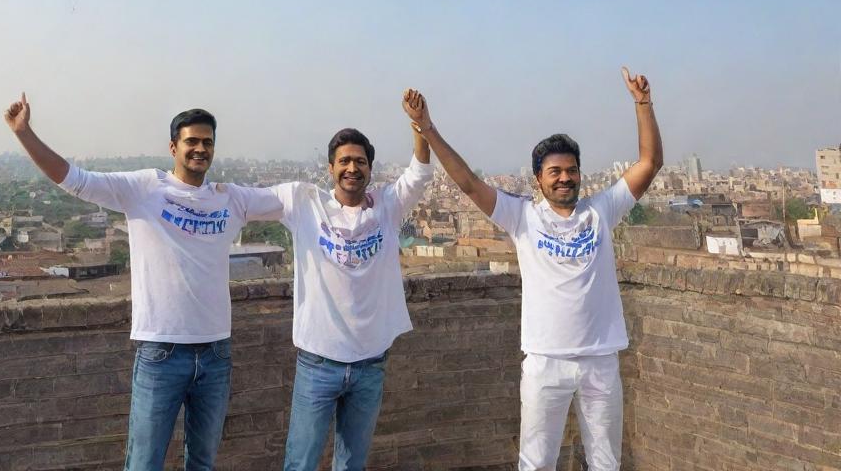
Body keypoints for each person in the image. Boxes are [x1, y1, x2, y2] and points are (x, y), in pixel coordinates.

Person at [3, 93, 282, 471]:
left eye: (207, 142)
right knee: (144, 462)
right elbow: (75, 180)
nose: (200, 149)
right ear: (173, 147)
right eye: (192, 142)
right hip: (161, 351)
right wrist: (25, 134)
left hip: (215, 352)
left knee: (202, 462)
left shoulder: (229, 199)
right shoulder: (145, 188)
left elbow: (291, 201)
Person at [406, 68, 663, 471]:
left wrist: (643, 104)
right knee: (537, 462)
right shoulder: (523, 216)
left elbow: (650, 162)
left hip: (600, 360)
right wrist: (428, 128)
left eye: (571, 170)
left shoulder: (601, 211)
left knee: (605, 463)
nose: (565, 178)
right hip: (546, 361)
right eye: (555, 172)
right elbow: (470, 184)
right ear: (538, 180)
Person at [268, 91, 434, 471]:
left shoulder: (387, 208)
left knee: (352, 464)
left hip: (368, 364)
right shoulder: (306, 204)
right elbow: (244, 203)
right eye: (344, 161)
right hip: (318, 362)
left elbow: (421, 171)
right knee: (301, 461)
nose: (352, 168)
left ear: (370, 169)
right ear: (330, 167)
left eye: (360, 161)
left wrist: (419, 124)